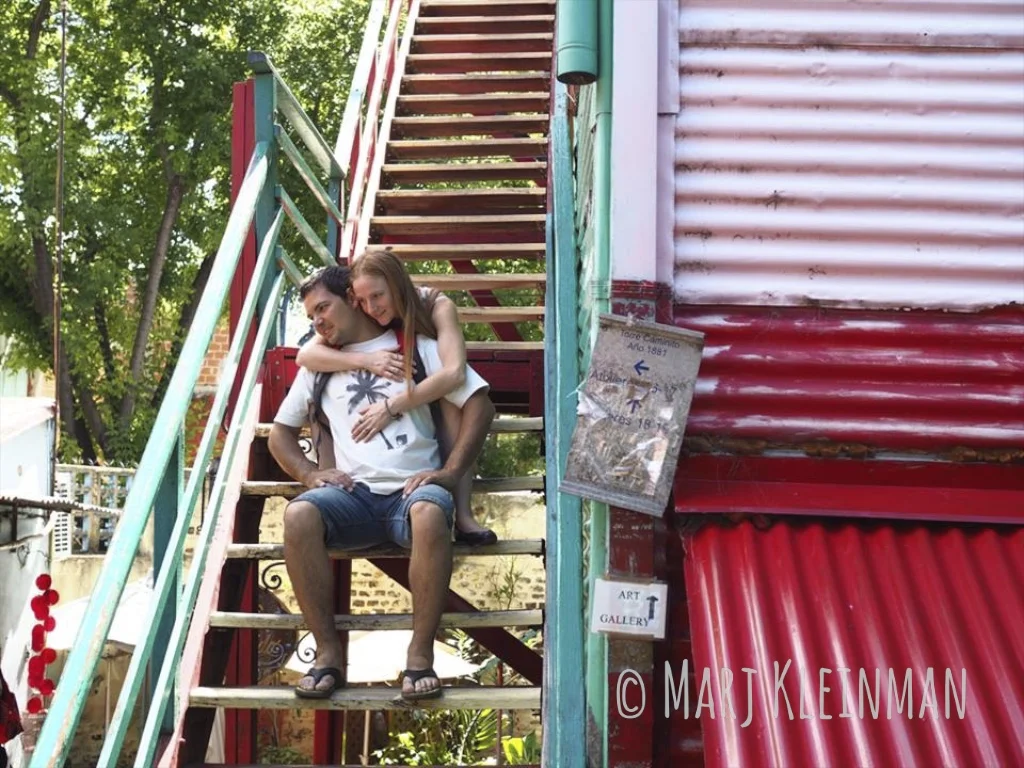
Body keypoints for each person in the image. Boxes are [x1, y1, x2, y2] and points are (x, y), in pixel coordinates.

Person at [269, 265, 496, 701]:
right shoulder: (318, 365)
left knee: (429, 511)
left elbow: (480, 407)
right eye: (311, 316)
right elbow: (280, 434)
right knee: (298, 514)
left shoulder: (416, 346)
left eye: (323, 308)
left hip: (411, 493)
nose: (317, 322)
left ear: (352, 299)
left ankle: (419, 657)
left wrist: (450, 472)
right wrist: (309, 474)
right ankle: (328, 655)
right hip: (352, 497)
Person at [295, 249, 497, 545]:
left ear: (397, 284)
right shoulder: (366, 313)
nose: (371, 307)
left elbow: (454, 373)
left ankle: (464, 514)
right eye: (362, 300)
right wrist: (367, 360)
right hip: (409, 393)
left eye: (377, 296)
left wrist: (392, 406)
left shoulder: (435, 305)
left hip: (433, 377)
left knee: (456, 405)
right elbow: (305, 355)